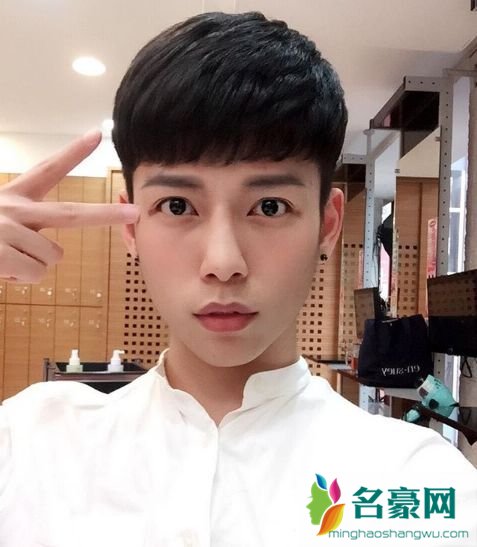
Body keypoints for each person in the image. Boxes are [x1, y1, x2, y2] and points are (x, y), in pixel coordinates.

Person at [0, 11, 476, 547]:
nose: (223, 262)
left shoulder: (419, 482)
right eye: (177, 205)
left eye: (269, 206)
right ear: (130, 226)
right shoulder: (29, 445)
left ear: (327, 225)